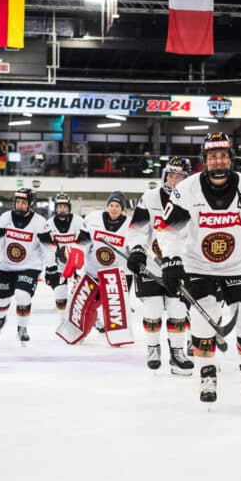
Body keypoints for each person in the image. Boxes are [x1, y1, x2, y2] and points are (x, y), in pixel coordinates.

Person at [156, 132, 241, 406]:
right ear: (205, 161)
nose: (217, 160)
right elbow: (167, 230)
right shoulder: (186, 189)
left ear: (231, 159)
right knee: (203, 319)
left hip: (238, 266)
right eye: (212, 156)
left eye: (223, 155)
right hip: (198, 265)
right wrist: (171, 259)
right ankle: (207, 374)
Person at [129, 158, 195, 374]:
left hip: (178, 264)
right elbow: (138, 228)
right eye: (170, 174)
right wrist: (137, 249)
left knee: (177, 310)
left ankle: (177, 352)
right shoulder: (149, 197)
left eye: (178, 176)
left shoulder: (194, 199)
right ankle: (153, 347)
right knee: (153, 309)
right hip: (152, 265)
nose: (172, 179)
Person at [56, 191, 141, 347]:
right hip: (93, 271)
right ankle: (81, 331)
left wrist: (137, 258)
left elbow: (137, 247)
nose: (114, 208)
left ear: (122, 208)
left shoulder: (130, 224)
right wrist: (75, 253)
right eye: (111, 205)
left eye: (117, 206)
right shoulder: (93, 219)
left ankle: (117, 333)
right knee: (88, 305)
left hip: (116, 275)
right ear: (107, 206)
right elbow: (83, 241)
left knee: (114, 308)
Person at [0, 189, 51, 343]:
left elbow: (48, 247)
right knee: (1, 298)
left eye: (24, 202)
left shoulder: (40, 222)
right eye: (18, 202)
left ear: (31, 204)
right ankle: (0, 319)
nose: (20, 205)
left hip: (30, 266)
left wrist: (51, 267)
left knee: (22, 295)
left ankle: (22, 327)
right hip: (6, 266)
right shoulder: (5, 218)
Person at [43, 192, 89, 322]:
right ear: (55, 208)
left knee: (83, 294)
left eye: (64, 206)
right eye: (59, 206)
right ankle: (63, 321)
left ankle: (95, 321)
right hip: (60, 264)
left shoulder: (79, 221)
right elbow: (47, 248)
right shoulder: (48, 224)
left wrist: (75, 253)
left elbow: (85, 242)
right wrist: (49, 268)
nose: (62, 209)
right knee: (60, 293)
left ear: (69, 207)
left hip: (78, 263)